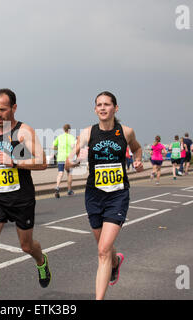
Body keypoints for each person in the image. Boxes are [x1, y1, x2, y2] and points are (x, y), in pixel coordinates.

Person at [65, 91, 144, 300]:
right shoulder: (88, 133)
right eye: (99, 105)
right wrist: (71, 161)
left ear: (115, 108)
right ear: (95, 109)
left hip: (117, 195)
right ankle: (116, 262)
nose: (102, 108)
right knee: (104, 247)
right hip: (94, 195)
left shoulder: (126, 132)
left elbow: (137, 149)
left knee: (102, 251)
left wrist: (137, 161)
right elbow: (69, 158)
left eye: (107, 104)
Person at [0, 88, 50, 300]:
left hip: (21, 199)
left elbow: (43, 162)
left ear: (14, 108)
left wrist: (15, 162)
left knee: (26, 246)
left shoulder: (23, 131)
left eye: (3, 109)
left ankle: (41, 261)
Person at [53, 124, 76, 198]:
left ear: (63, 129)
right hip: (69, 158)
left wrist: (58, 149)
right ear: (69, 130)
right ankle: (69, 190)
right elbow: (73, 146)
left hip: (60, 157)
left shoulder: (59, 137)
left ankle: (57, 187)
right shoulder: (71, 137)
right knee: (69, 173)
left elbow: (53, 147)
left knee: (60, 173)